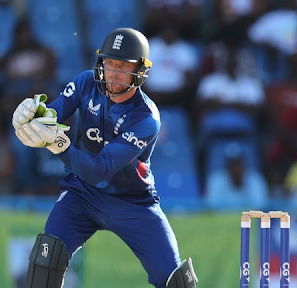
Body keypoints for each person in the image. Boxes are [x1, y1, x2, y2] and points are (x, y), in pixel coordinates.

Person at [11, 28, 198, 288]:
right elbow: (53, 113)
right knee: (46, 258)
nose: (114, 73)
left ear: (140, 71)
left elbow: (101, 169)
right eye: (110, 63)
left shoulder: (146, 118)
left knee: (176, 282)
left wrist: (59, 144)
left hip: (133, 203)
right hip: (82, 195)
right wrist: (34, 116)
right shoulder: (85, 82)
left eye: (123, 66)